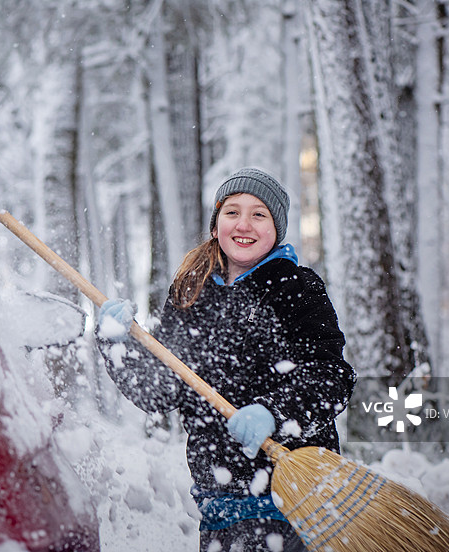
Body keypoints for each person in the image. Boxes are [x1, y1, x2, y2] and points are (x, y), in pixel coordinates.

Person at [96, 167, 355, 552]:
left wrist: (274, 412)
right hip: (221, 512)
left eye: (258, 214)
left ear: (276, 230)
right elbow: (160, 391)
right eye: (232, 212)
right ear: (216, 225)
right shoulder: (190, 293)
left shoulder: (297, 288)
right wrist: (117, 344)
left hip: (297, 509)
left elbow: (332, 377)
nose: (243, 224)